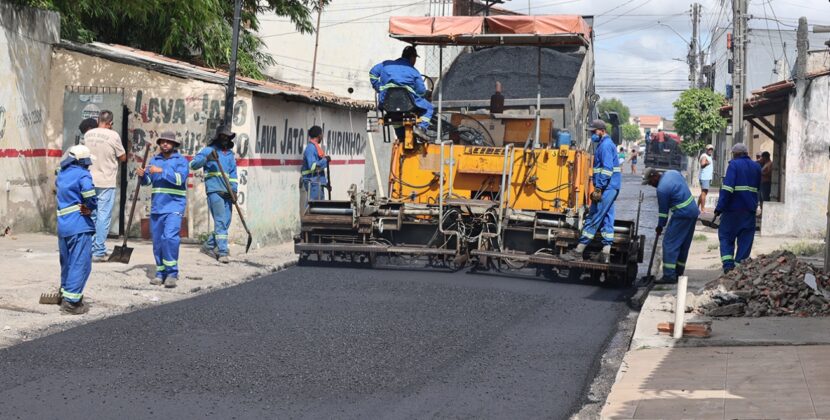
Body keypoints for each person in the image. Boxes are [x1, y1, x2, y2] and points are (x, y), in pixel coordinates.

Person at [561, 119, 621, 264]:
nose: (592, 134)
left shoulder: (605, 145)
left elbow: (607, 170)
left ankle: (578, 251)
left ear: (602, 131)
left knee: (594, 215)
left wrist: (599, 188)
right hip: (611, 187)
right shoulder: (604, 144)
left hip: (606, 187)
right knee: (607, 218)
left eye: (594, 132)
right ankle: (605, 253)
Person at [137, 132, 189, 288]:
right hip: (158, 207)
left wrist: (161, 171)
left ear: (174, 145)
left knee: (170, 238)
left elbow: (180, 180)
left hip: (174, 206)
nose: (165, 144)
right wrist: (142, 176)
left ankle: (172, 273)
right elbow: (147, 182)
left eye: (169, 142)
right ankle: (160, 272)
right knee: (158, 241)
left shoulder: (181, 161)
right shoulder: (155, 160)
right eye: (163, 142)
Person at [55, 145, 98, 314]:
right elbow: (89, 194)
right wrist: (90, 206)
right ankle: (72, 303)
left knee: (67, 262)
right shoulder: (83, 174)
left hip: (63, 226)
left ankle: (65, 293)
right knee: (80, 263)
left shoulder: (61, 175)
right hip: (79, 224)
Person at [190, 124, 238, 264]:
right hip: (214, 190)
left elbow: (233, 174)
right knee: (221, 222)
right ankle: (222, 252)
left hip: (228, 191)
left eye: (227, 136)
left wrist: (234, 190)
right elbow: (193, 165)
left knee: (226, 222)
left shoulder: (229, 154)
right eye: (222, 136)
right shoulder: (208, 150)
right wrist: (207, 158)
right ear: (217, 137)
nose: (225, 138)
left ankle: (209, 245)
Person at [83, 110, 126, 262]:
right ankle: (99, 250)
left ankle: (91, 247)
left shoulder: (88, 135)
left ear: (97, 120)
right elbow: (123, 157)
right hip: (106, 181)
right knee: (103, 216)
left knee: (91, 214)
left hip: (88, 181)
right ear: (110, 123)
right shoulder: (113, 135)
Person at [643, 168, 700, 283]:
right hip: (693, 211)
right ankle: (679, 272)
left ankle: (669, 275)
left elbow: (663, 212)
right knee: (683, 243)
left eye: (650, 182)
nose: (651, 185)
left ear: (655, 177)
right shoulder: (672, 173)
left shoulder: (662, 189)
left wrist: (660, 226)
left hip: (682, 214)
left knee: (669, 243)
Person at [715, 143, 761, 274]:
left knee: (725, 236)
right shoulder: (756, 167)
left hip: (733, 210)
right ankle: (739, 267)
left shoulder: (733, 165)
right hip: (749, 211)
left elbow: (728, 188)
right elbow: (757, 189)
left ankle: (728, 266)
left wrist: (720, 207)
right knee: (745, 239)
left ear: (735, 154)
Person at [369, 45, 433, 139]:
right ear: (412, 58)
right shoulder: (414, 71)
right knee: (429, 108)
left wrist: (378, 87)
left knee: (394, 115)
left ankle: (401, 137)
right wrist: (423, 95)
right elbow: (421, 91)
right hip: (407, 104)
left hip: (386, 102)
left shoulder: (386, 65)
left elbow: (372, 73)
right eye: (415, 58)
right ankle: (421, 128)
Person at [300, 125, 330, 205]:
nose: (322, 136)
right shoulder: (311, 148)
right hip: (313, 182)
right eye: (322, 134)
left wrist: (326, 183)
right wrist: (325, 160)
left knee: (319, 206)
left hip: (317, 181)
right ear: (319, 135)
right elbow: (313, 166)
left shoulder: (315, 147)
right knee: (314, 206)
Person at [698, 144, 714, 212]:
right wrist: (707, 163)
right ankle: (703, 208)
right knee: (704, 193)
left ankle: (697, 207)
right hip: (704, 177)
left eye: (711, 149)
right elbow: (702, 164)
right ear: (706, 149)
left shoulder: (709, 156)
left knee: (703, 193)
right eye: (709, 149)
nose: (710, 150)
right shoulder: (704, 156)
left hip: (707, 177)